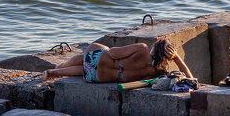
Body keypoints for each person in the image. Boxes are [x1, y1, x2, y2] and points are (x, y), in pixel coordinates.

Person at [41, 39, 193, 83]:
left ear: (155, 48)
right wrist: (177, 58)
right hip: (96, 78)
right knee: (87, 67)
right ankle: (56, 72)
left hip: (99, 61)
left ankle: (57, 68)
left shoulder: (142, 48)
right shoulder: (157, 73)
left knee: (93, 55)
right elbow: (190, 79)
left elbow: (113, 53)